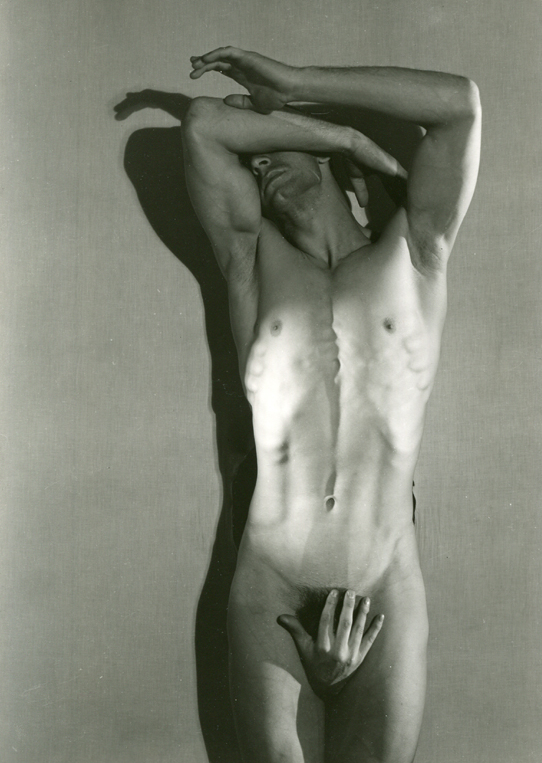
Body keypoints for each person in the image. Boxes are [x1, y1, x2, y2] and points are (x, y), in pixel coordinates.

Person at [182, 47, 481, 763]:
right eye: (258, 159)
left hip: (383, 577)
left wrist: (294, 84)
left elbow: (460, 106)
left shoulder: (415, 255)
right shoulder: (252, 265)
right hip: (271, 580)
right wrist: (340, 136)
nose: (260, 164)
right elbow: (202, 126)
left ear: (332, 171)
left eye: (274, 151)